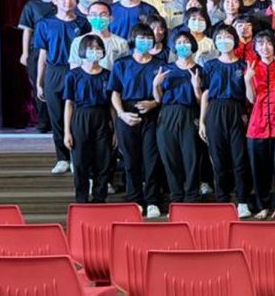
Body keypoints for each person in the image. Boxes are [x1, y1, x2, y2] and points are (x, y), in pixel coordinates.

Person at [34, 0, 92, 173]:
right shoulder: (44, 24)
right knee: (56, 116)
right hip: (54, 72)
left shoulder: (83, 23)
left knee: (76, 116)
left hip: (77, 70)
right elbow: (42, 54)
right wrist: (39, 81)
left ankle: (77, 158)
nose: (68, 1)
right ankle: (62, 158)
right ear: (54, 0)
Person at [109, 23, 165, 217]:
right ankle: (135, 199)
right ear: (133, 39)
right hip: (127, 113)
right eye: (141, 38)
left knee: (151, 159)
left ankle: (152, 201)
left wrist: (153, 104)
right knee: (131, 160)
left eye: (148, 37)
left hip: (152, 114)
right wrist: (121, 114)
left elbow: (164, 94)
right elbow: (114, 92)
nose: (145, 41)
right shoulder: (122, 64)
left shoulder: (160, 64)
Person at [199, 26, 254, 218]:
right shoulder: (210, 65)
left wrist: (247, 81)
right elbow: (205, 94)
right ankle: (222, 200)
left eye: (228, 36)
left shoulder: (243, 65)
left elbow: (250, 98)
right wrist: (202, 122)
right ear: (215, 41)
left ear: (235, 39)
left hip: (237, 110)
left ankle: (242, 201)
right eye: (220, 37)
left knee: (239, 159)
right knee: (218, 159)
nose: (224, 39)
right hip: (214, 111)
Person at [152, 33, 204, 205]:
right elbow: (158, 99)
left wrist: (196, 88)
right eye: (179, 42)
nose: (183, 45)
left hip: (190, 113)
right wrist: (155, 85)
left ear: (192, 45)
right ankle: (175, 196)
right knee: (170, 157)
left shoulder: (200, 70)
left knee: (191, 157)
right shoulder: (166, 69)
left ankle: (192, 196)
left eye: (186, 42)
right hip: (167, 114)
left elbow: (201, 100)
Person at [63, 35, 114, 203]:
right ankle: (82, 199)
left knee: (103, 160)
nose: (94, 51)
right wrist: (67, 132)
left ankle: (100, 198)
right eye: (90, 48)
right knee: (80, 161)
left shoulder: (108, 75)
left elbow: (112, 105)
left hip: (102, 117)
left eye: (98, 48)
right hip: (80, 117)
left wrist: (116, 131)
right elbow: (69, 104)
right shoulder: (73, 75)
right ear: (83, 51)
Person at [21, 0, 63, 132]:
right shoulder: (33, 5)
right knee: (39, 85)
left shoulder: (65, 1)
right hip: (37, 50)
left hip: (59, 50)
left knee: (56, 86)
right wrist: (25, 53)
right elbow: (27, 30)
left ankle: (58, 121)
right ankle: (43, 120)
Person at [68, 1, 127, 70]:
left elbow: (124, 69)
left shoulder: (121, 43)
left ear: (110, 18)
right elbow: (74, 69)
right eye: (94, 14)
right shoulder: (78, 41)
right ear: (89, 18)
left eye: (103, 14)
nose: (98, 18)